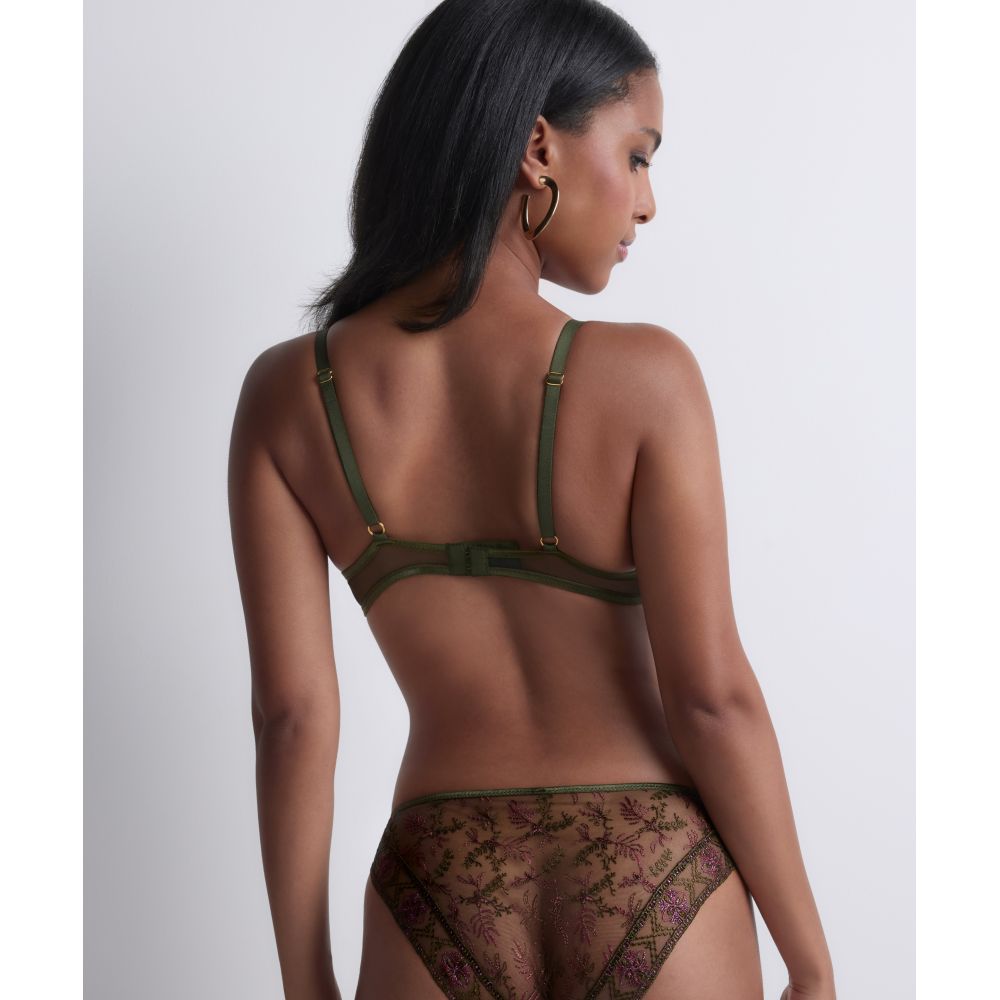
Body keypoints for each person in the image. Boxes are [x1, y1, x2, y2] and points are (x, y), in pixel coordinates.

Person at [228, 1, 836, 998]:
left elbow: (291, 717)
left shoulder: (287, 395)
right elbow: (712, 699)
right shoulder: (647, 378)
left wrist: (307, 983)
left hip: (438, 877)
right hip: (651, 864)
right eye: (637, 155)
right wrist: (811, 965)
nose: (648, 203)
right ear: (537, 149)